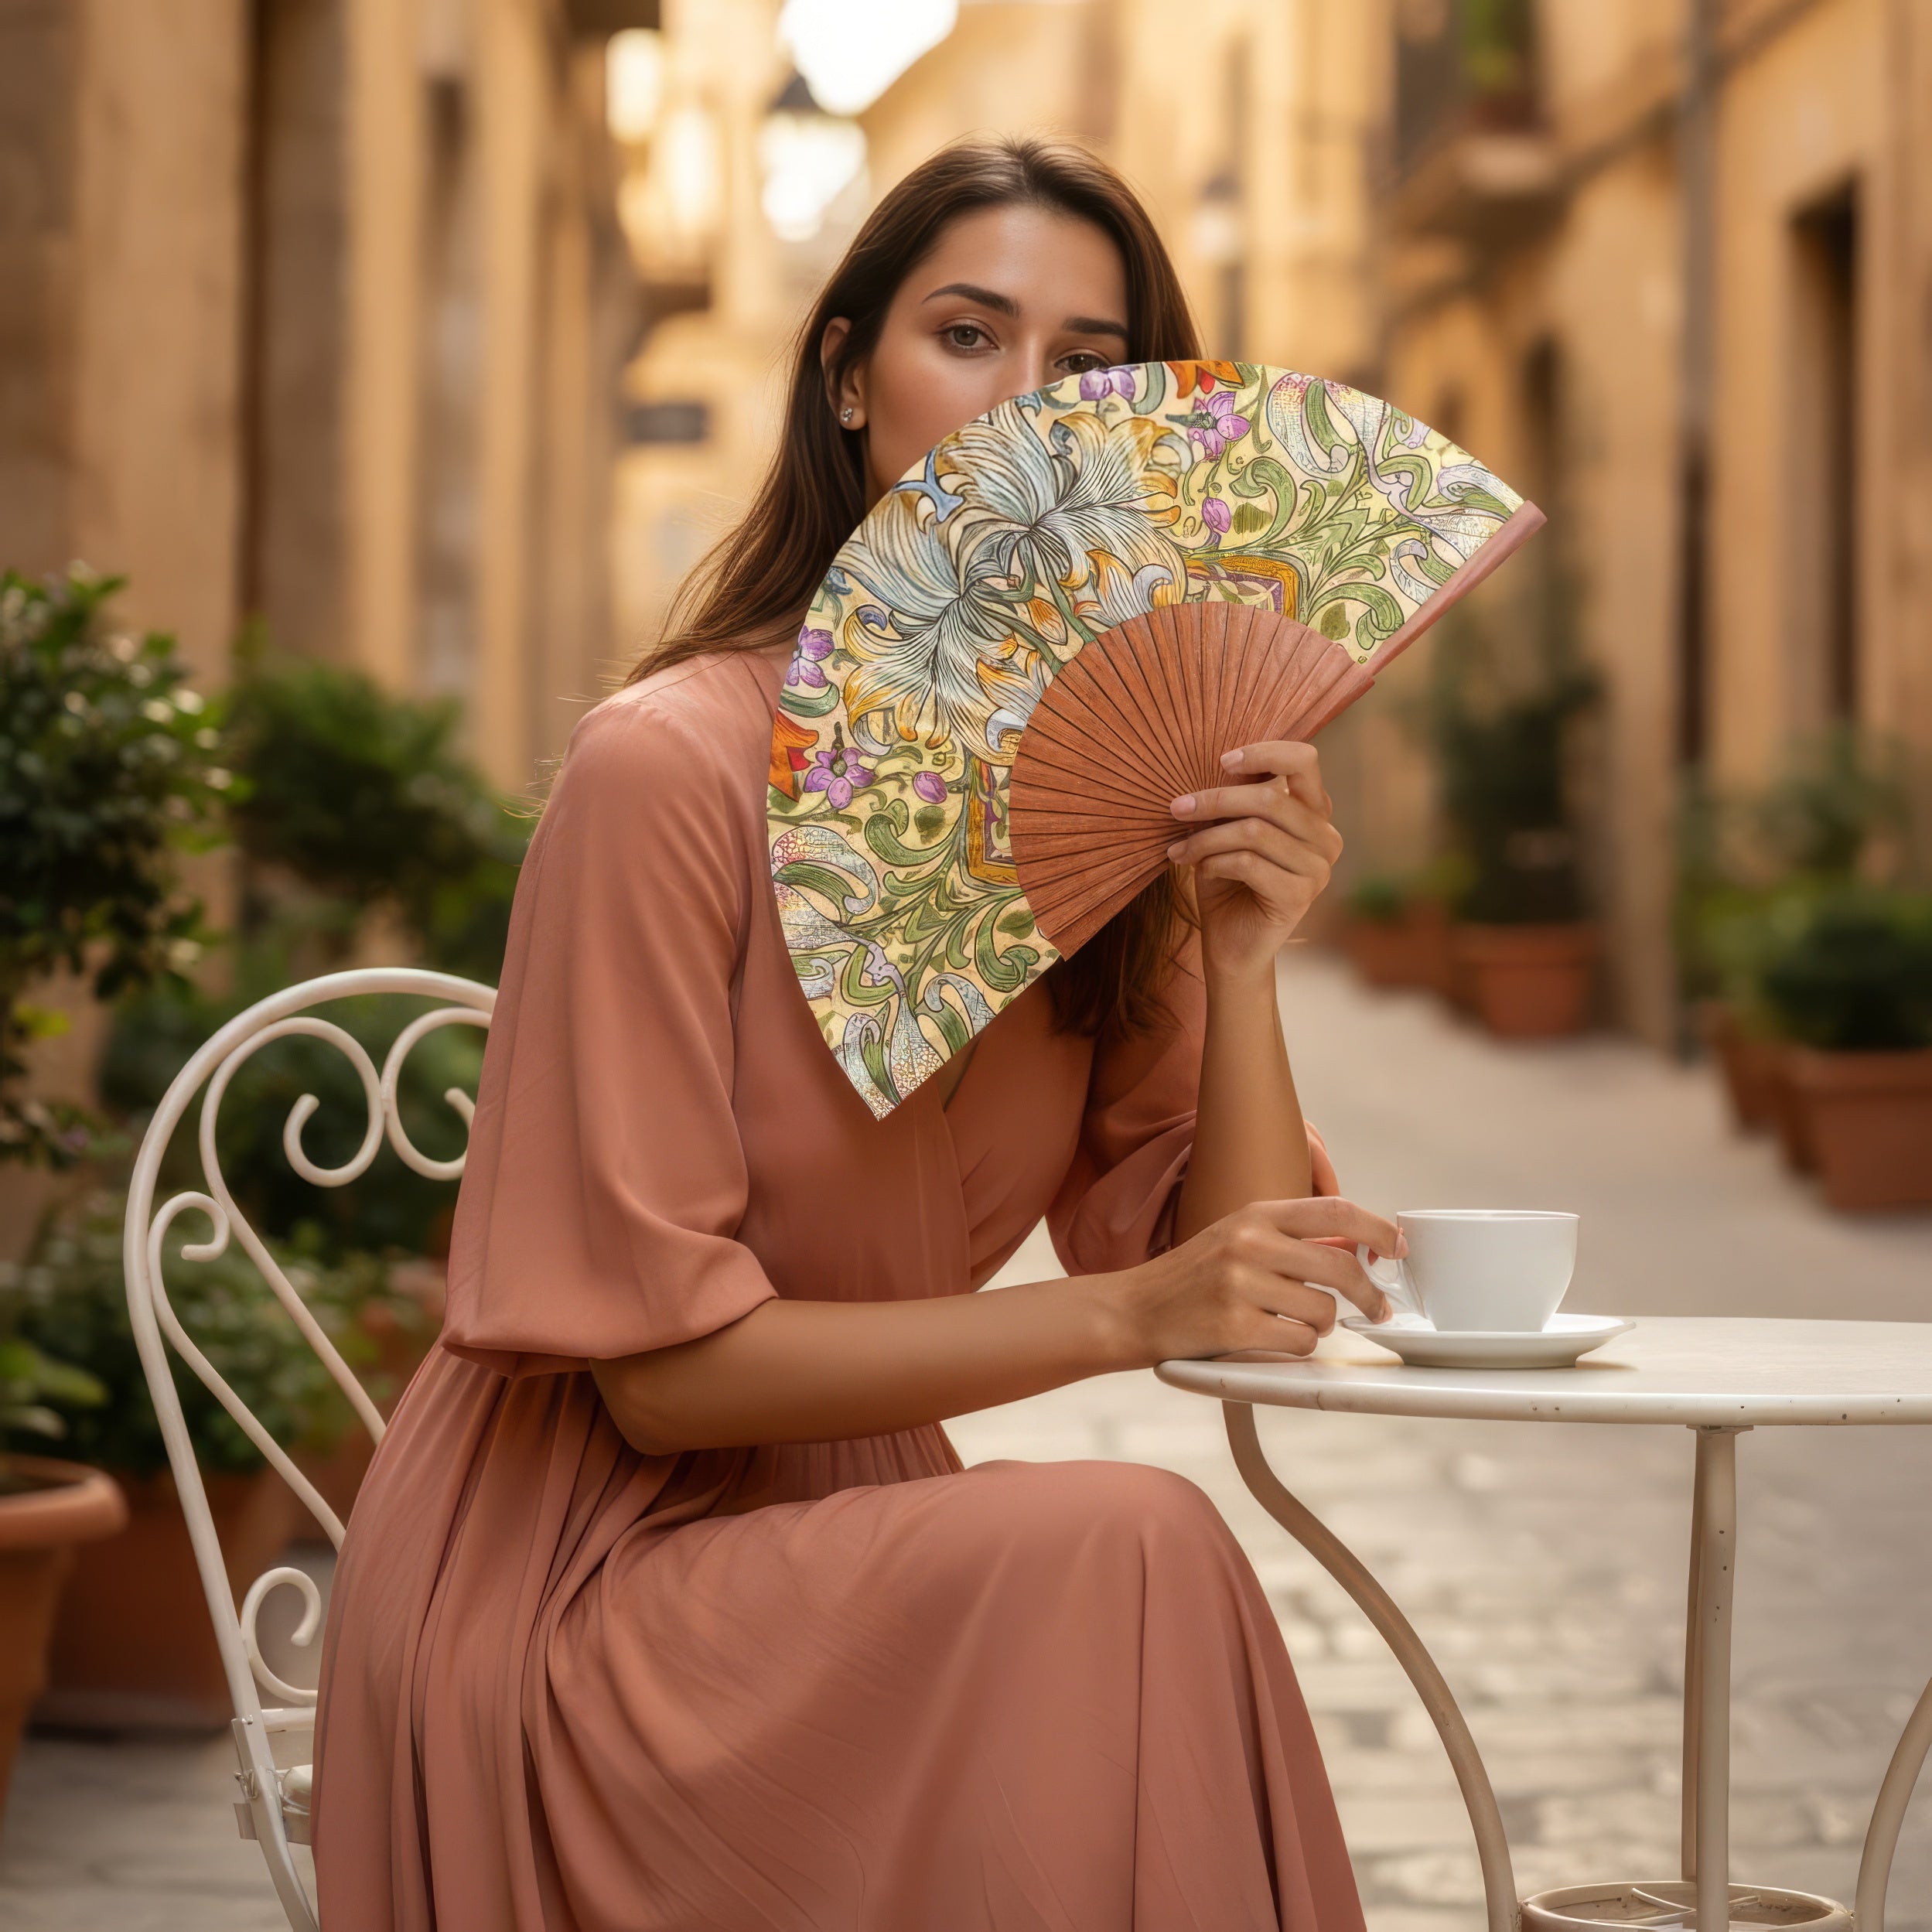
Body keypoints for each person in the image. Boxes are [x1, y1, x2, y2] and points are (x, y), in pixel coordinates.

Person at [314, 134, 1401, 1932]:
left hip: (865, 1553)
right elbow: (657, 1376)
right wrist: (1129, 1315)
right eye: (967, 335)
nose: (1020, 412)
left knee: (1094, 1586)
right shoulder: (663, 770)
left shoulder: (1109, 808)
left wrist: (1242, 954)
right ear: (846, 377)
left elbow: (1236, 1274)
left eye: (1086, 370)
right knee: (1117, 1548)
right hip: (582, 1582)